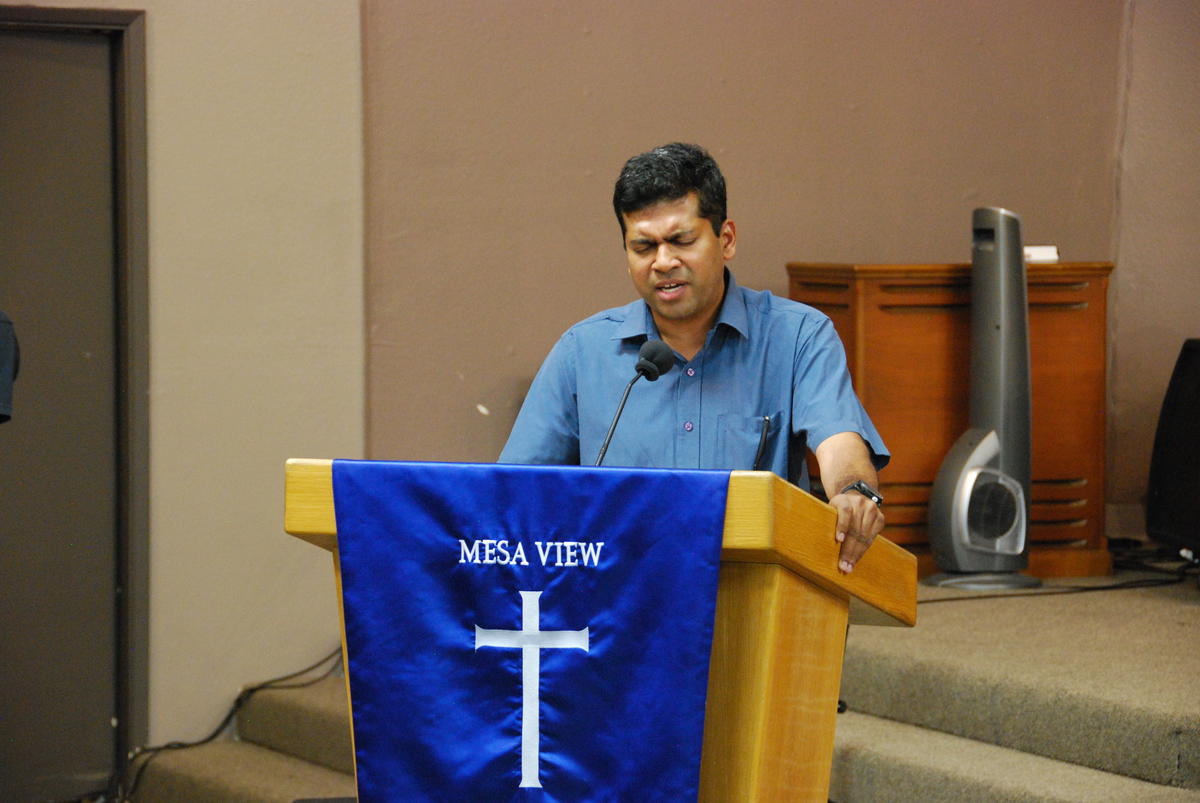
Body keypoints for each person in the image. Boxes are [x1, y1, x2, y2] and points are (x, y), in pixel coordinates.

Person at [500, 143, 888, 574]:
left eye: (681, 241)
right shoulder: (583, 351)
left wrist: (853, 492)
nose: (663, 262)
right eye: (643, 247)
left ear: (726, 240)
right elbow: (513, 491)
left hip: (752, 588)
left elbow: (839, 443)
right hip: (618, 592)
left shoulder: (798, 336)